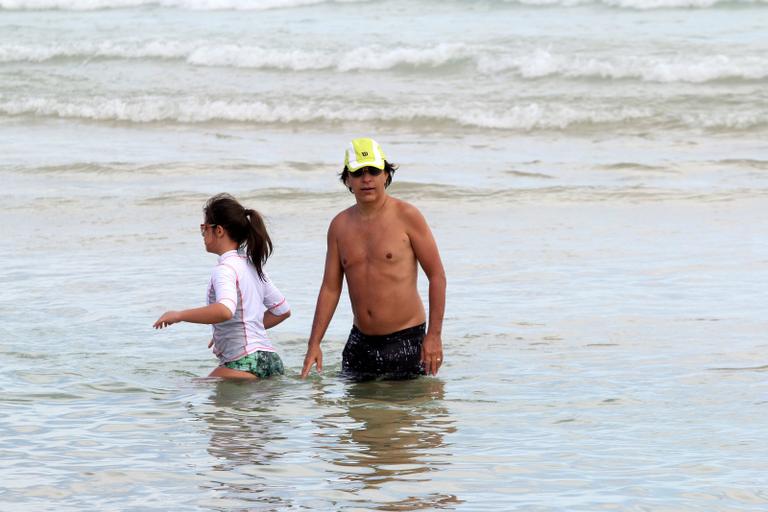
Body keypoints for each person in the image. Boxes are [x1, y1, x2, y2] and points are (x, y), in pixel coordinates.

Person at [300, 138, 446, 380]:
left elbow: (437, 276)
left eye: (374, 171)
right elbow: (330, 288)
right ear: (347, 179)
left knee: (403, 415)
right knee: (359, 414)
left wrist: (434, 336)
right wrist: (314, 344)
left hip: (406, 339)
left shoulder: (408, 216)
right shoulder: (339, 226)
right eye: (358, 172)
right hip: (360, 342)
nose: (366, 179)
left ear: (386, 175)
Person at [154, 193, 291, 380]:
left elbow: (225, 310)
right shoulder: (253, 265)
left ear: (219, 230)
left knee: (184, 390)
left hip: (243, 361)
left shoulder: (225, 269)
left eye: (204, 228)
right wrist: (234, 330)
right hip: (270, 360)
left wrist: (179, 315)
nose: (203, 234)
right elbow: (282, 310)